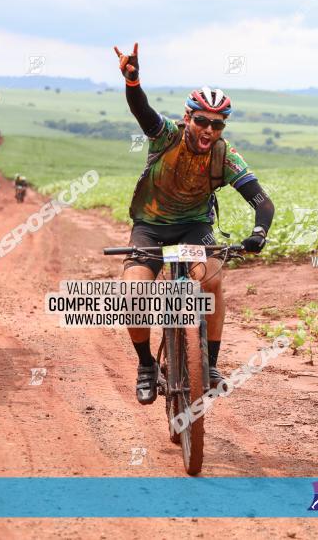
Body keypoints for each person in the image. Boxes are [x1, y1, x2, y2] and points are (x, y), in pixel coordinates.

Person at [113, 42, 275, 405]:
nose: (208, 129)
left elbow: (261, 201)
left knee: (212, 279)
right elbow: (143, 112)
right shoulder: (166, 135)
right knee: (134, 294)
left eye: (216, 124)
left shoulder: (224, 154)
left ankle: (211, 365)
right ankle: (145, 366)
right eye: (201, 120)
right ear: (187, 117)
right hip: (151, 227)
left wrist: (258, 233)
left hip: (194, 227)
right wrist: (133, 81)